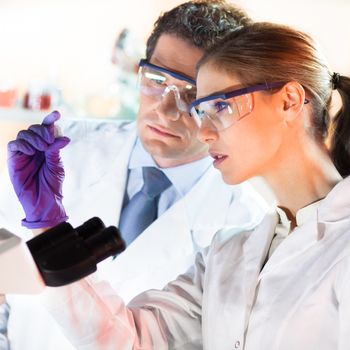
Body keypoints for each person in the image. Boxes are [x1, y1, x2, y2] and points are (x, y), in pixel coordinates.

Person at [9, 21, 350, 349]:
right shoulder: (228, 254)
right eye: (202, 110)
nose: (203, 132)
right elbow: (130, 340)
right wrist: (49, 224)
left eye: (221, 106)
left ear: (289, 101)